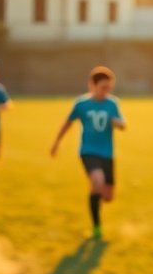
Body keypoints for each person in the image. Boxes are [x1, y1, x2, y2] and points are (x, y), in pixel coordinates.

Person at [50, 66, 127, 239]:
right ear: (92, 85)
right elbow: (67, 123)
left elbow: (123, 124)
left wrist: (118, 124)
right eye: (103, 87)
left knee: (108, 197)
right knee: (97, 181)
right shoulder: (81, 104)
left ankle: (96, 195)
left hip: (107, 153)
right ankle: (97, 226)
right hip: (88, 151)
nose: (106, 91)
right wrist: (56, 142)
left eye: (109, 88)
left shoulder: (112, 103)